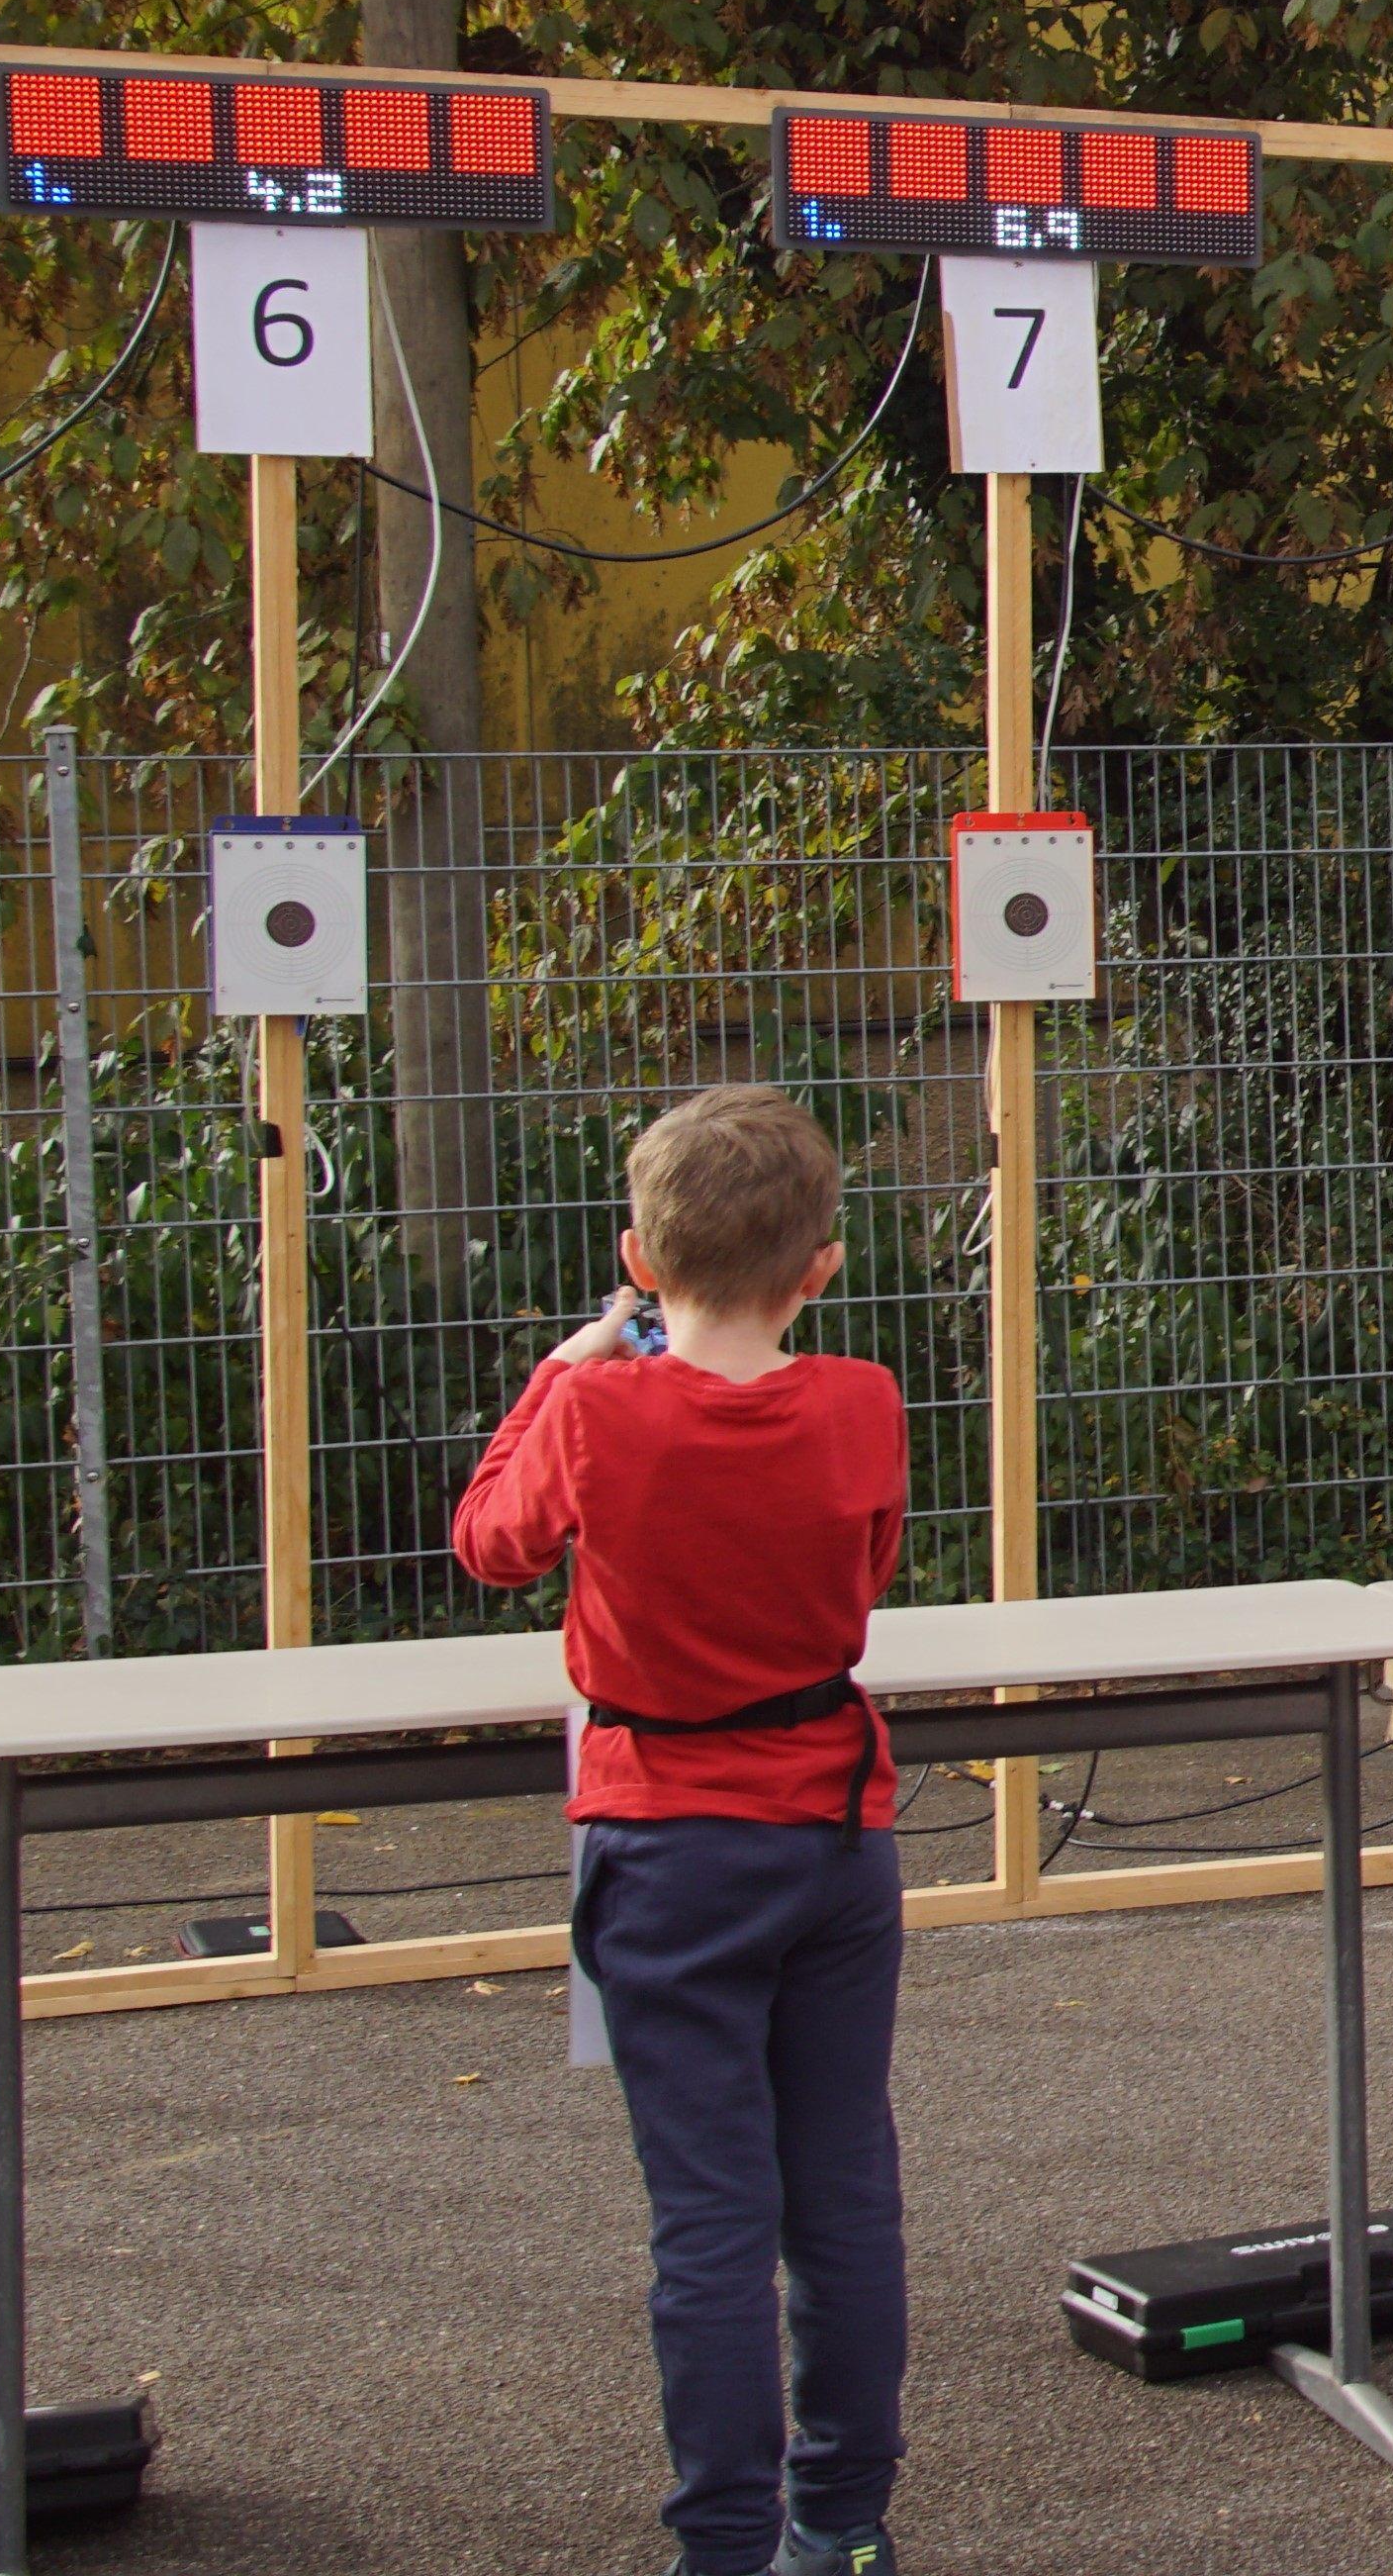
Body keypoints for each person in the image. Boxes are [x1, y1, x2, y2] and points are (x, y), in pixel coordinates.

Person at [452, 1087, 910, 2576]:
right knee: (838, 2194)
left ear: (639, 1262)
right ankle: (840, 2521)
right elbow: (869, 1564)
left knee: (708, 2216)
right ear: (820, 1267)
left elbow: (489, 1544)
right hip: (833, 1829)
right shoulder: (863, 1401)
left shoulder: (594, 1408)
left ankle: (723, 2544)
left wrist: (561, 1368)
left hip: (668, 1841)